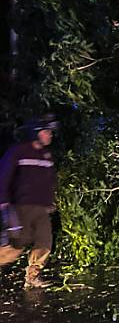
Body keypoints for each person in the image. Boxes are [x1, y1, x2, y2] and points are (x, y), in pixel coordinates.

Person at [0, 114, 60, 289]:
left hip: (41, 209)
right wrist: (3, 201)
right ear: (36, 133)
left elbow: (49, 181)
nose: (49, 136)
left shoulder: (47, 156)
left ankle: (32, 277)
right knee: (16, 246)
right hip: (20, 207)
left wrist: (50, 201)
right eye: (46, 132)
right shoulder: (18, 152)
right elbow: (3, 176)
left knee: (45, 242)